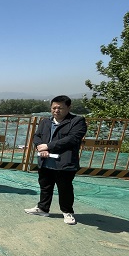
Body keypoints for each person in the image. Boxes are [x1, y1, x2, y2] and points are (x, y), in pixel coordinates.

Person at [24, 95, 87, 225]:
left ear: (69, 108)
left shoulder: (77, 121)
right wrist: (41, 148)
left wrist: (48, 146)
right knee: (45, 186)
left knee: (65, 188)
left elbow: (72, 139)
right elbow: (37, 136)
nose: (56, 111)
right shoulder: (45, 122)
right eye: (54, 108)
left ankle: (67, 212)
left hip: (64, 162)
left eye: (60, 108)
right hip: (46, 161)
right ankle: (43, 208)